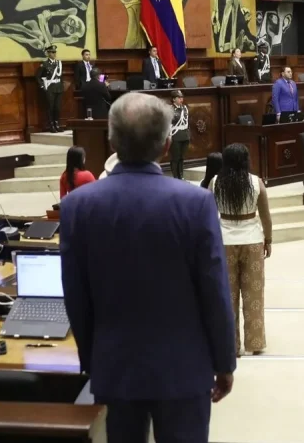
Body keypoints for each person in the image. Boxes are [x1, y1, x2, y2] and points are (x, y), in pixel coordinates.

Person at [60, 93, 235, 443]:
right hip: (184, 369)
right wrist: (224, 361)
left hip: (114, 367)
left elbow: (76, 298)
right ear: (168, 145)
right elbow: (214, 291)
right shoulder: (196, 203)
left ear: (111, 142)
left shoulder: (77, 206)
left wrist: (93, 360)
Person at [209, 144, 272, 357]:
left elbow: (208, 214)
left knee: (227, 296)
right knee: (254, 293)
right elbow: (265, 215)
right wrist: (269, 239)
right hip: (253, 240)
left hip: (224, 240)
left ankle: (231, 346)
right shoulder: (256, 182)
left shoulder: (215, 182)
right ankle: (254, 343)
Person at [38, 45, 64, 133]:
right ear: (48, 53)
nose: (54, 54)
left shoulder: (59, 63)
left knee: (57, 107)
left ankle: (57, 124)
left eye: (55, 52)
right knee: (51, 107)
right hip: (50, 87)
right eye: (52, 52)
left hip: (58, 87)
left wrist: (62, 85)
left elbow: (61, 76)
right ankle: (51, 125)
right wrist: (42, 86)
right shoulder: (44, 64)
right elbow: (38, 76)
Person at [170, 91, 191, 180]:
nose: (181, 99)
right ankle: (175, 177)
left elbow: (187, 122)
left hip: (184, 135)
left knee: (182, 157)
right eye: (179, 98)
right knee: (176, 158)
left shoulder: (185, 108)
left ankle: (181, 176)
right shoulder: (170, 109)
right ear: (173, 99)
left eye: (181, 97)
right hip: (175, 135)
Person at [74, 49, 96, 117]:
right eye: (86, 55)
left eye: (89, 55)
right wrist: (80, 85)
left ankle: (93, 116)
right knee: (85, 102)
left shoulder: (92, 64)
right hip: (84, 85)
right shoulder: (79, 65)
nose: (88, 56)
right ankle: (86, 116)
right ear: (83, 56)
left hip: (92, 85)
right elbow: (76, 77)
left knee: (93, 101)